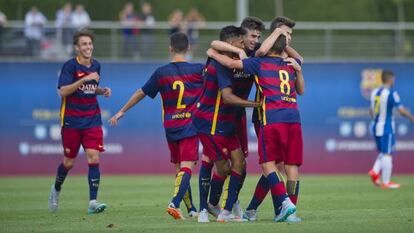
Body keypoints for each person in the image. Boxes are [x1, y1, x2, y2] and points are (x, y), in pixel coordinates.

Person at [209, 32, 303, 222]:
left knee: (267, 164)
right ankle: (290, 213)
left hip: (272, 118)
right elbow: (301, 89)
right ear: (284, 48)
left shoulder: (259, 62)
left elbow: (231, 64)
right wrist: (299, 69)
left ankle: (285, 203)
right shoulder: (291, 64)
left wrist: (213, 54)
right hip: (294, 118)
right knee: (291, 166)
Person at [109, 32, 202, 220]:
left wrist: (122, 110)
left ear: (170, 48)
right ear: (189, 48)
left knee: (179, 170)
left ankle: (191, 209)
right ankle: (174, 203)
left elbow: (141, 92)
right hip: (190, 126)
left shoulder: (161, 72)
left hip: (171, 126)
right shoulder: (199, 70)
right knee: (186, 168)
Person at [194, 26, 261, 223]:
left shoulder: (237, 57)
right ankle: (207, 206)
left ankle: (226, 210)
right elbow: (228, 97)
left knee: (240, 162)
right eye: (242, 42)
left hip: (227, 120)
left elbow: (214, 45)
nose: (246, 44)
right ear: (232, 44)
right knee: (222, 168)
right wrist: (255, 104)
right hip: (210, 122)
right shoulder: (218, 63)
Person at [241, 16, 304, 223]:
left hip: (275, 114)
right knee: (274, 165)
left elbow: (301, 61)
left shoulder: (285, 57)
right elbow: (259, 52)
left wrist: (296, 62)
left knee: (273, 165)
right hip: (264, 115)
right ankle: (275, 208)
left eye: (291, 35)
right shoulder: (261, 48)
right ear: (276, 32)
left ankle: (275, 207)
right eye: (287, 33)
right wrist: (278, 36)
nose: (290, 38)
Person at [48, 29, 112, 214]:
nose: (88, 47)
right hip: (71, 121)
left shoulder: (97, 65)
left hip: (92, 120)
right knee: (68, 162)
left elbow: (91, 88)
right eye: (84, 44)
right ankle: (56, 189)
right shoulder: (70, 66)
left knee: (94, 157)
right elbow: (63, 91)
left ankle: (93, 201)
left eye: (90, 44)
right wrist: (85, 78)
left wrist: (102, 90)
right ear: (77, 47)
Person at [368, 70, 414, 189]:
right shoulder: (391, 93)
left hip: (375, 126)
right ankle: (386, 182)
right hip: (386, 127)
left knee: (383, 152)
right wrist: (412, 118)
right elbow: (401, 110)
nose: (394, 81)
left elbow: (371, 111)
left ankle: (374, 171)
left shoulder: (374, 92)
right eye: (393, 79)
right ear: (390, 79)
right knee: (387, 154)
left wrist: (376, 119)